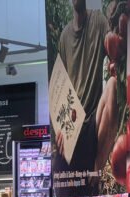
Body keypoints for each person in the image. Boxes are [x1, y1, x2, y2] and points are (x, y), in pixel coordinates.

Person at [52, 0, 120, 183]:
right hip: (71, 124)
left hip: (92, 119)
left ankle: (97, 168)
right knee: (62, 183)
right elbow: (60, 87)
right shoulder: (65, 36)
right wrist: (60, 127)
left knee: (113, 85)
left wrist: (115, 62)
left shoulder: (98, 21)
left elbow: (113, 45)